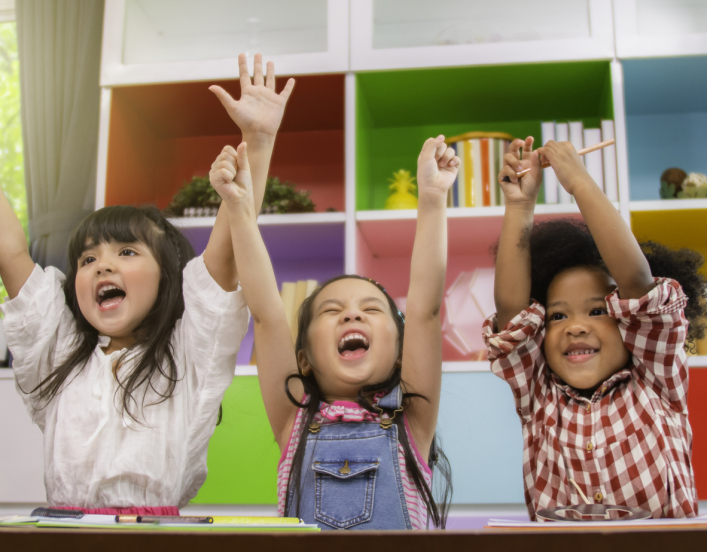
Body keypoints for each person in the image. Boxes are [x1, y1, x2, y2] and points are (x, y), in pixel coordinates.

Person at [0, 54, 293, 514]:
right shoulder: (56, 352)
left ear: (168, 280)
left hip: (153, 535)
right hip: (61, 536)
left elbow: (225, 252)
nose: (101, 266)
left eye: (127, 252)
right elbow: (12, 253)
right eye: (88, 258)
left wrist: (256, 141)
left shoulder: (187, 353)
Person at [208, 136, 457, 529]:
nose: (351, 316)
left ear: (400, 353)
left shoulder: (414, 419)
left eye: (371, 309)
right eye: (332, 311)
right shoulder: (295, 420)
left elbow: (425, 310)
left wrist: (432, 196)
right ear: (303, 360)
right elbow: (268, 316)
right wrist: (238, 208)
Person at [485, 137, 706, 519]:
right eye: (557, 316)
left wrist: (580, 183)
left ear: (628, 321)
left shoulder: (656, 379)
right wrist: (520, 205)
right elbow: (512, 311)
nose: (575, 327)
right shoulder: (538, 393)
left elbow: (638, 282)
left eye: (596, 311)